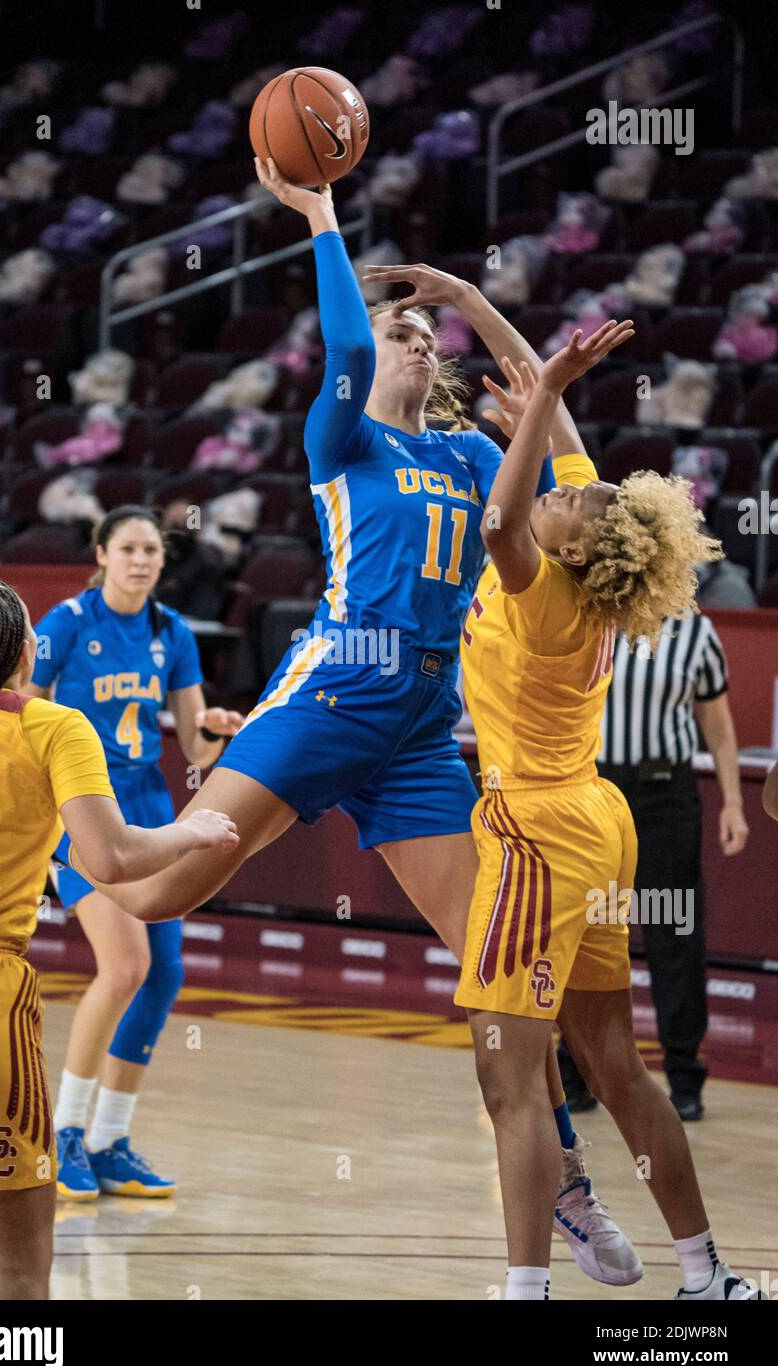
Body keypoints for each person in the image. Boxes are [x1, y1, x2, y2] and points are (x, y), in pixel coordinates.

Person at [53, 158, 641, 1286]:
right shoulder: (347, 443)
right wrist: (322, 215)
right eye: (400, 329)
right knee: (158, 889)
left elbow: (552, 416)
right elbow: (343, 349)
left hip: (420, 728)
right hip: (329, 694)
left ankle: (562, 1185)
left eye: (425, 335)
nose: (415, 341)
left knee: (503, 967)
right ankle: (56, 840)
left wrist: (468, 301)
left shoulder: (473, 456)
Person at [455, 329, 764, 1300]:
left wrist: (542, 394)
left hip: (539, 834)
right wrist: (481, 314)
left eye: (568, 498)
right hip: (595, 819)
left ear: (578, 543)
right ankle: (704, 1273)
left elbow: (503, 513)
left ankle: (524, 1291)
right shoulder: (584, 557)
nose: (558, 489)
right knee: (613, 1067)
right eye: (564, 487)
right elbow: (559, 458)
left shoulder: (541, 590)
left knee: (509, 1082)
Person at [0, 577, 237, 1298]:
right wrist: (193, 832)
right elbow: (113, 858)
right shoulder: (52, 725)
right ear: (26, 652)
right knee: (18, 1270)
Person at [26, 507, 244, 1200]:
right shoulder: (66, 623)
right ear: (102, 554)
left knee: (163, 975)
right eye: (129, 549)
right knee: (125, 966)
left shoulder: (170, 631)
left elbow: (196, 745)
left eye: (152, 550)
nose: (143, 560)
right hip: (85, 811)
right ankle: (63, 1134)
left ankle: (109, 1139)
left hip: (150, 806)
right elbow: (23, 710)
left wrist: (216, 730)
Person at [558, 613, 748, 1121]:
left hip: (665, 794)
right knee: (581, 930)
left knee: (673, 931)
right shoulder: (587, 616)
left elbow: (719, 725)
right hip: (592, 791)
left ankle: (684, 1074)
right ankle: (574, 1069)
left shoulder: (695, 632)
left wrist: (733, 802)